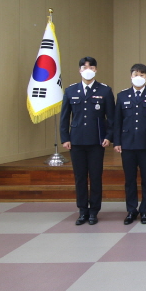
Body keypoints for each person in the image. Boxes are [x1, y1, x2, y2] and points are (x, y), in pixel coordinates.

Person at [60, 56, 115, 225]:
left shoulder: (105, 90)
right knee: (80, 177)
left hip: (97, 141)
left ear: (96, 70)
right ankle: (82, 210)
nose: (88, 70)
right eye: (84, 67)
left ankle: (94, 211)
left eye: (91, 67)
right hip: (76, 141)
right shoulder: (71, 90)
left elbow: (111, 118)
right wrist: (65, 138)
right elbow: (65, 117)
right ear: (79, 70)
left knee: (96, 176)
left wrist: (109, 136)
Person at [113, 64, 146, 225]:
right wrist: (117, 141)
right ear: (131, 76)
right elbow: (117, 121)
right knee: (130, 180)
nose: (138, 77)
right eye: (135, 74)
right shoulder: (122, 96)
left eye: (142, 74)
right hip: (127, 144)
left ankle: (145, 211)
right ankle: (131, 210)